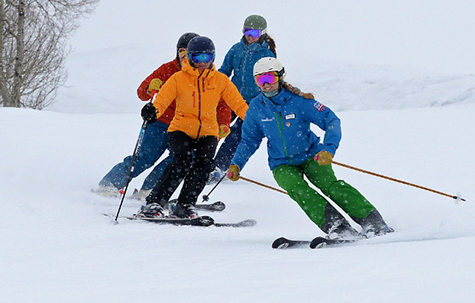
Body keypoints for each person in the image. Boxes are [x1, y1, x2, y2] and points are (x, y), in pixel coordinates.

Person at [226, 57, 393, 238]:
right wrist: (236, 164)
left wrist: (328, 149)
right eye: (260, 80)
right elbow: (249, 141)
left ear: (280, 77)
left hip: (312, 155)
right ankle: (337, 227)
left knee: (330, 185)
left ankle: (372, 221)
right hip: (281, 163)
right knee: (298, 190)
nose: (266, 84)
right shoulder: (256, 108)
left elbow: (331, 120)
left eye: (270, 78)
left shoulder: (299, 101)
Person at [137, 36, 249, 219]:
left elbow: (238, 104)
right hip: (181, 129)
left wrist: (255, 121)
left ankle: (185, 205)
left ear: (213, 58)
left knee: (204, 166)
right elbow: (163, 100)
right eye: (197, 58)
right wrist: (153, 111)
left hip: (208, 132)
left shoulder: (220, 81)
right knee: (181, 161)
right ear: (189, 57)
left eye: (207, 58)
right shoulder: (178, 78)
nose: (202, 63)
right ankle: (155, 202)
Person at [94, 32, 201, 198]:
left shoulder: (201, 76)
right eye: (182, 53)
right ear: (177, 53)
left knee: (178, 159)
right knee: (146, 157)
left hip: (183, 127)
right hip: (160, 122)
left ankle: (150, 189)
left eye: (190, 54)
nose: (185, 58)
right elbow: (142, 93)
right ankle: (110, 183)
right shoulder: (168, 69)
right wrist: (150, 87)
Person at [211, 14, 277, 180]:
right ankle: (202, 161)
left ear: (262, 33)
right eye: (247, 31)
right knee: (215, 128)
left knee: (236, 135)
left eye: (254, 33)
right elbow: (225, 70)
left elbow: (270, 80)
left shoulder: (266, 54)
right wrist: (213, 87)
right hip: (230, 98)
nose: (249, 36)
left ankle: (219, 166)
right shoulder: (236, 49)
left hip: (251, 104)